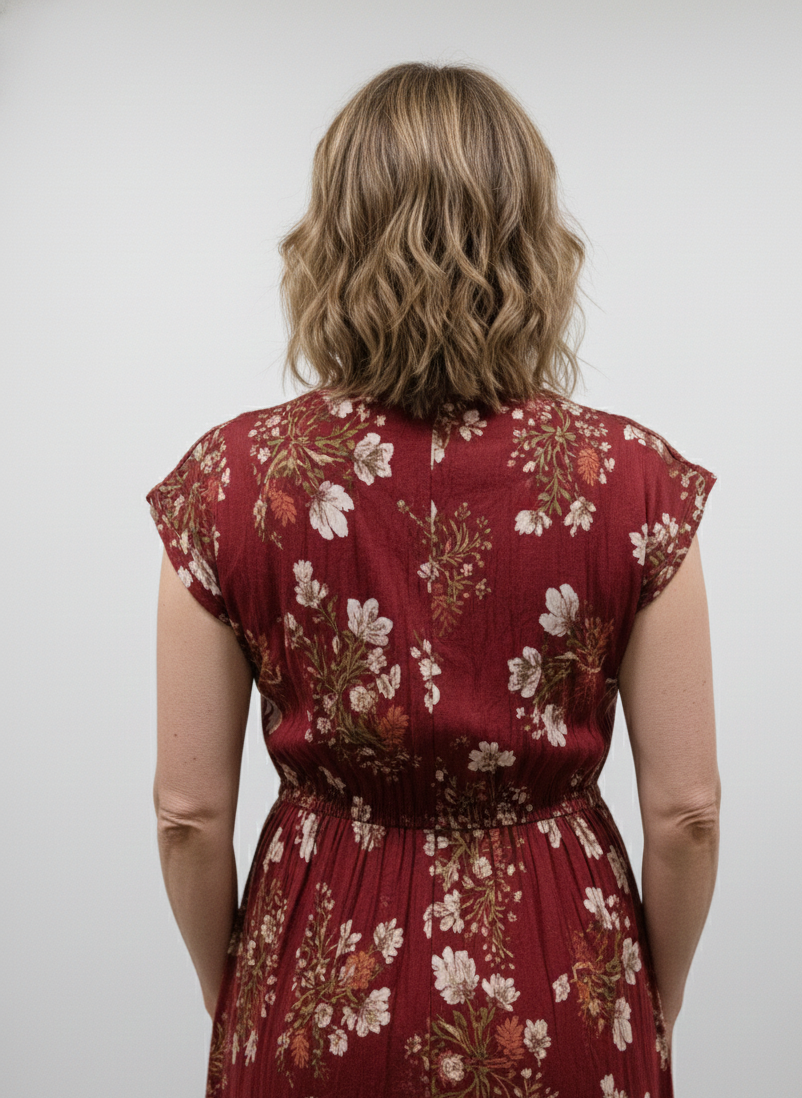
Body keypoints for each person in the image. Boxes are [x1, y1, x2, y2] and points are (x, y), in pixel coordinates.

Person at [146, 61, 720, 1098]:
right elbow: (687, 813)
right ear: (532, 243)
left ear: (332, 243)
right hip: (563, 986)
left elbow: (186, 814)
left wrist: (238, 995)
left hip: (315, 987)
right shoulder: (631, 481)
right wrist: (651, 1003)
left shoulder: (234, 481)